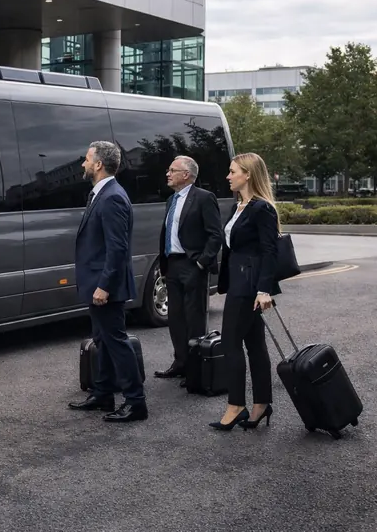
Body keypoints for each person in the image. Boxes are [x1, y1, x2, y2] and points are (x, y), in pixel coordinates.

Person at [69, 141, 147, 423]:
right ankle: (103, 394)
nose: (83, 164)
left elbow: (117, 248)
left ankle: (136, 402)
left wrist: (104, 286)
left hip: (106, 286)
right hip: (98, 283)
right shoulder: (100, 194)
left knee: (116, 342)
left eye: (87, 159)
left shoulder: (112, 196)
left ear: (99, 164)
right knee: (102, 340)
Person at [210, 152, 280, 431]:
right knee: (255, 346)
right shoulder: (238, 206)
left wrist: (264, 290)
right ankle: (261, 404)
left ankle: (236, 405)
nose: (228, 176)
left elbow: (269, 251)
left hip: (249, 286)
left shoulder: (262, 209)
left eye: (232, 171)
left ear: (248, 174)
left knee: (230, 343)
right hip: (239, 282)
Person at [154, 156, 223, 382]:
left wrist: (201, 262)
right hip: (172, 264)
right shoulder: (170, 200)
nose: (167, 173)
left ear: (186, 175)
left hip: (192, 264)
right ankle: (180, 362)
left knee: (194, 318)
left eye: (172, 170)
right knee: (175, 317)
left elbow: (215, 235)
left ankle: (195, 368)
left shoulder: (204, 198)